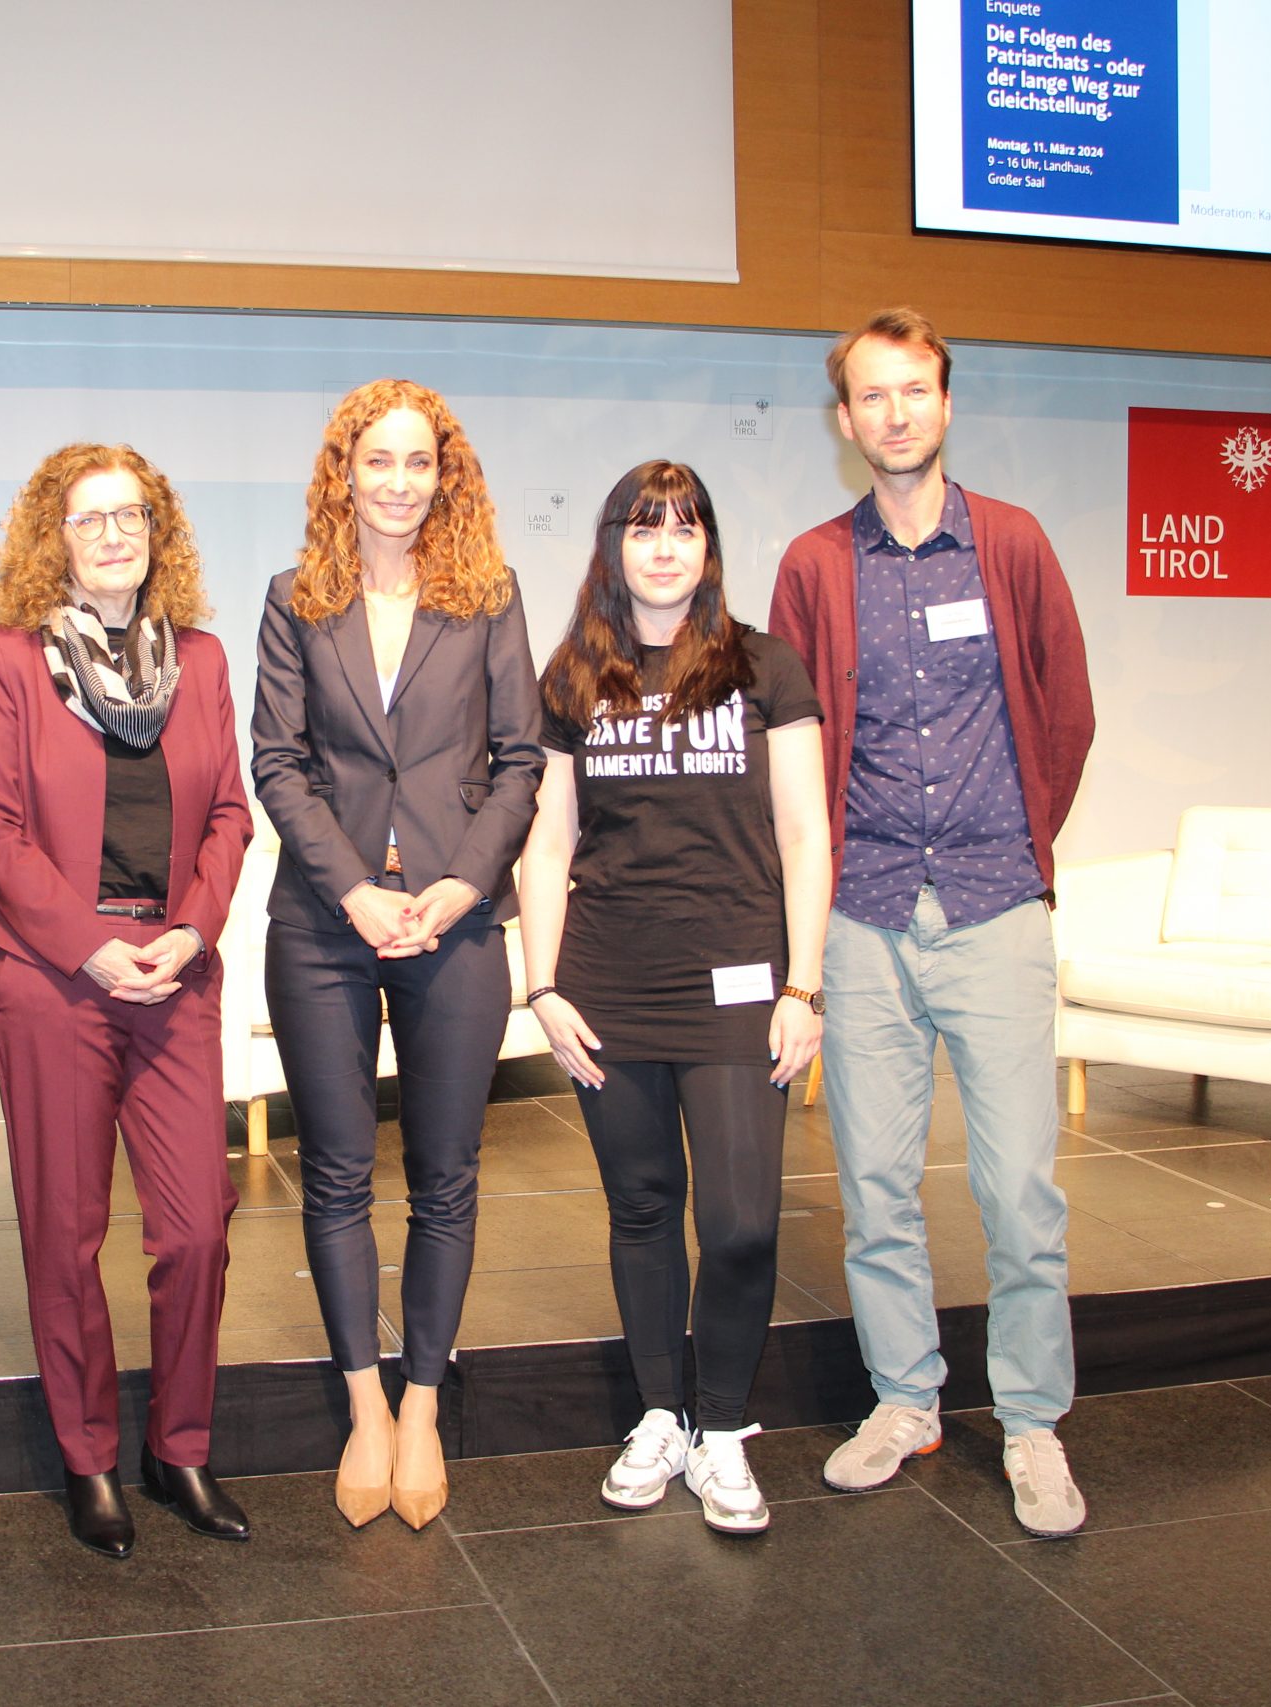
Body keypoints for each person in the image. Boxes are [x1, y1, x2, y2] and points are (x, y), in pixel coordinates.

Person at [768, 306, 1097, 1538]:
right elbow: (787, 749)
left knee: (1019, 1193)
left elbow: (1066, 712)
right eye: (872, 394)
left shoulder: (1010, 543)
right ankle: (904, 1401)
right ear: (843, 418)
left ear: (944, 404)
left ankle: (1032, 1422)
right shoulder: (813, 566)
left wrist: (1019, 844)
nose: (894, 413)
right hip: (860, 918)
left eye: (913, 390)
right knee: (873, 1188)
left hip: (994, 905)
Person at [251, 379, 543, 1531]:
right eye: (377, 459)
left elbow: (519, 759)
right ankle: (363, 1407)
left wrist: (462, 884)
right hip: (325, 924)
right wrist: (355, 893)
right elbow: (278, 763)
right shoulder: (294, 599)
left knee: (444, 1176)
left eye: (419, 461)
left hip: (453, 920)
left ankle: (422, 1403)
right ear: (343, 472)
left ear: (444, 476)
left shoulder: (488, 595)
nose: (398, 482)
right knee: (333, 1175)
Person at [517, 460, 828, 1535]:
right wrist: (542, 984)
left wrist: (804, 984)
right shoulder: (572, 676)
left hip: (739, 983)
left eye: (684, 528)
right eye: (644, 529)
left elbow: (805, 834)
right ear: (614, 546)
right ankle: (662, 1415)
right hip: (610, 981)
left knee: (740, 1222)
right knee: (642, 1207)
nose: (664, 548)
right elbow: (547, 842)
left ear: (708, 547)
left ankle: (724, 1428)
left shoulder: (764, 666)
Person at [0, 443, 255, 1558]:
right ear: (57, 537)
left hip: (172, 971)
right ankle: (88, 1458)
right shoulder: (9, 658)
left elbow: (229, 813)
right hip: (53, 978)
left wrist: (191, 929)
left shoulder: (203, 661)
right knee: (65, 1231)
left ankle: (179, 1446)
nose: (114, 534)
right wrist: (88, 947)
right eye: (90, 518)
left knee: (198, 1229)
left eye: (132, 514)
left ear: (156, 530)